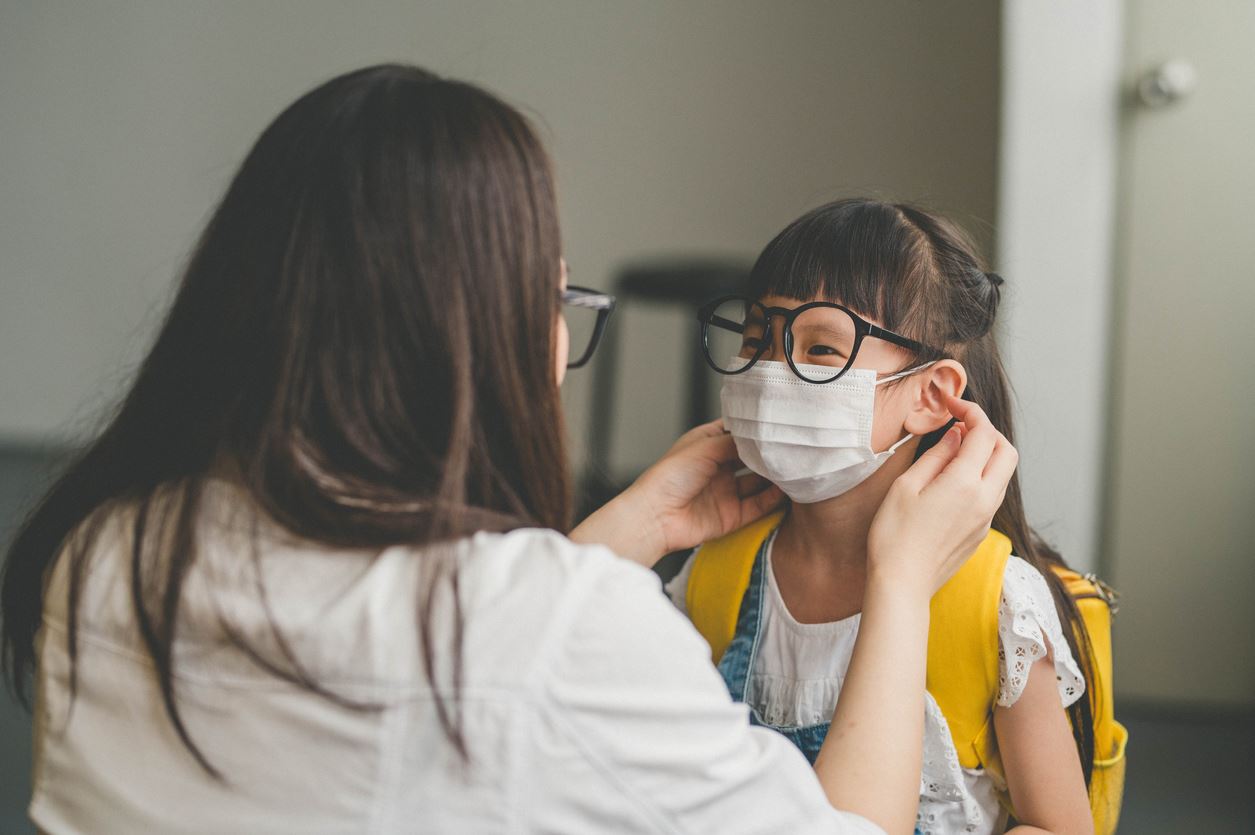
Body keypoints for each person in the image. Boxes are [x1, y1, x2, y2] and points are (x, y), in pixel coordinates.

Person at [1, 66, 1015, 834]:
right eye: (554, 296)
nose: (561, 333)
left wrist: (622, 536)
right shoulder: (558, 630)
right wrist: (900, 580)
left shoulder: (101, 549)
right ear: (481, 332)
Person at [673, 199, 1126, 834]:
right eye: (756, 338)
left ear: (932, 394)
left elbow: (1059, 826)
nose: (771, 371)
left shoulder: (992, 602)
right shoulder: (717, 570)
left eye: (821, 348)